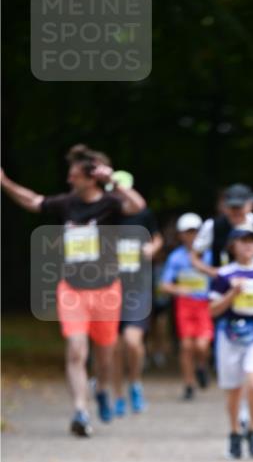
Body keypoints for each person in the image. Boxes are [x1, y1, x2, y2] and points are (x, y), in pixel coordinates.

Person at [0, 145, 146, 436]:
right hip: (72, 290)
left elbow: (137, 206)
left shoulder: (111, 203)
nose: (69, 180)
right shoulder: (67, 204)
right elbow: (33, 201)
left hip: (106, 290)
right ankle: (80, 410)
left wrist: (114, 180)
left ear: (91, 178)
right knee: (77, 350)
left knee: (104, 357)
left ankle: (102, 388)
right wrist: (4, 182)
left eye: (74, 175)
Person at [209, 226, 253, 459]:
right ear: (232, 246)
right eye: (242, 241)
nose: (248, 245)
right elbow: (212, 309)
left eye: (252, 241)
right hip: (229, 334)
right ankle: (234, 433)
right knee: (234, 389)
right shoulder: (224, 274)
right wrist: (232, 294)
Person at [112, 178, 163, 415]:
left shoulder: (144, 215)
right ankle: (118, 395)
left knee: (133, 341)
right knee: (114, 346)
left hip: (137, 287)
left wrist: (152, 248)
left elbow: (158, 237)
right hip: (109, 288)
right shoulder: (105, 214)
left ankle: (135, 383)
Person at [159, 213, 213, 400]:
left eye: (195, 232)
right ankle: (189, 384)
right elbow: (164, 284)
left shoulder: (210, 255)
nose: (192, 236)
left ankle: (201, 366)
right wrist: (178, 289)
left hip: (205, 305)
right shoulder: (176, 258)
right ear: (181, 235)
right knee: (186, 346)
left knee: (202, 344)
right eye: (187, 232)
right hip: (184, 306)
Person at [191, 183, 253, 273]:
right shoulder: (212, 226)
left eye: (240, 207)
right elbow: (194, 256)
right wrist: (215, 273)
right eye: (232, 207)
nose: (236, 211)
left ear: (250, 205)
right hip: (225, 285)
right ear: (224, 206)